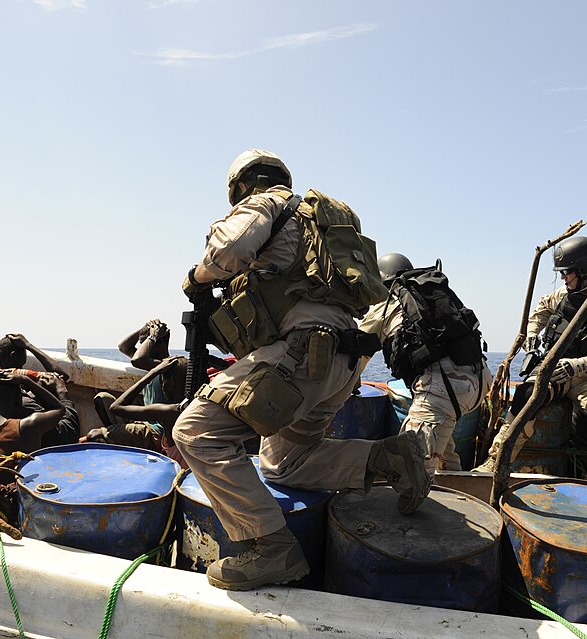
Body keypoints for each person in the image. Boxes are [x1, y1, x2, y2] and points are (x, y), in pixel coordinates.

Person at [172, 148, 429, 591]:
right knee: (285, 464)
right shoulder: (320, 223)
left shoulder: (267, 202)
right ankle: (389, 458)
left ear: (241, 186)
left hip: (300, 357)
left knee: (195, 432)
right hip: (341, 363)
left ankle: (272, 547)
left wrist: (198, 276)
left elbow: (230, 248)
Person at [476, 236, 587, 471]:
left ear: (584, 270)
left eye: (566, 272)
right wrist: (532, 335)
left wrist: (579, 365)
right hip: (556, 373)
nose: (562, 278)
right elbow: (541, 309)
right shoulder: (564, 294)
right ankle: (495, 463)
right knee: (525, 395)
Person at [360, 253, 492, 474]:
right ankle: (458, 482)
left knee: (410, 470)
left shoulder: (387, 303)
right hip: (479, 379)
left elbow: (357, 354)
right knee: (443, 455)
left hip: (445, 390)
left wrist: (348, 386)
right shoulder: (431, 295)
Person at [83, 356, 189, 468]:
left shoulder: (170, 412)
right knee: (102, 399)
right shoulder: (188, 406)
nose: (162, 387)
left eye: (162, 381)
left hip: (177, 471)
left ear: (172, 383)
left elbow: (116, 407)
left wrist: (154, 372)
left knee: (94, 436)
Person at [0, 369, 66, 455]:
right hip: (19, 475)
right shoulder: (28, 426)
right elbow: (59, 408)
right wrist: (26, 381)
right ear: (19, 401)